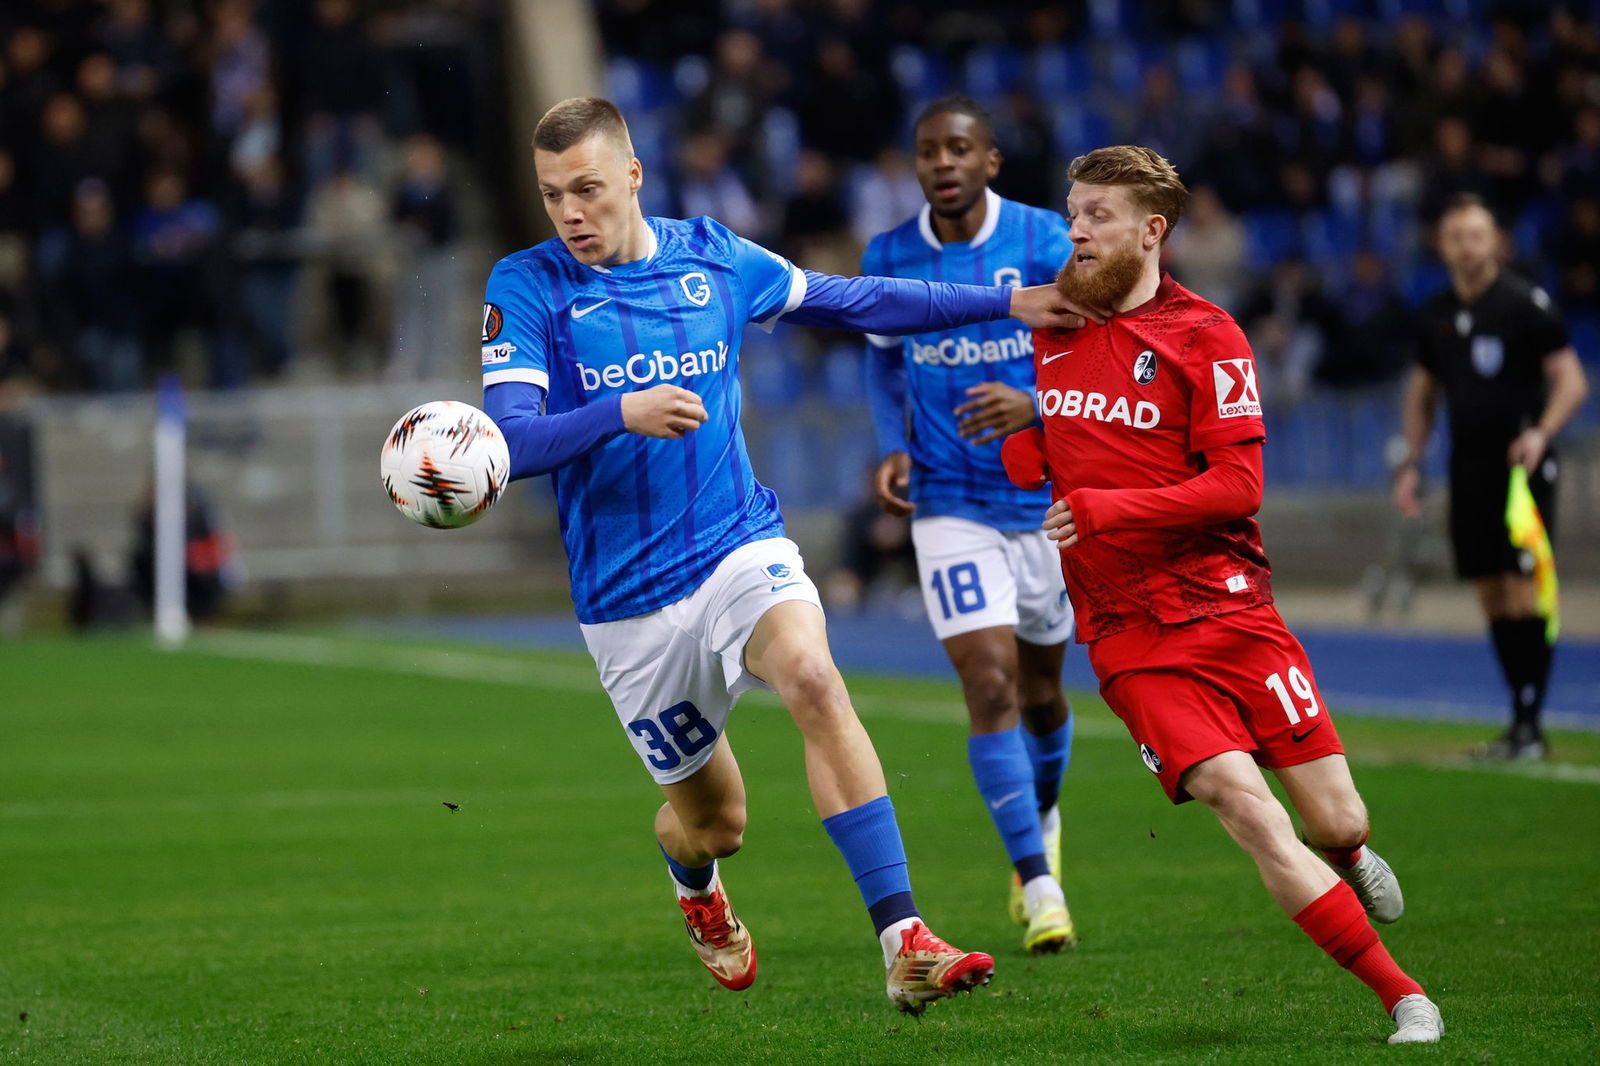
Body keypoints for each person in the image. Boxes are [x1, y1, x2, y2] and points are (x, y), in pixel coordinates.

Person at [478, 97, 1089, 1014]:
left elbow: (852, 299)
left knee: (811, 673)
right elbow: (511, 442)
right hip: (626, 603)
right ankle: (696, 888)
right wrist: (619, 412)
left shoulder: (715, 258)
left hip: (736, 547)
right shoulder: (527, 286)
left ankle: (903, 938)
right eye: (554, 194)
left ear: (634, 178)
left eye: (589, 190)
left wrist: (1006, 298)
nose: (571, 213)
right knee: (716, 825)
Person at [1002, 146, 1444, 1044]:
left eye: (1097, 215)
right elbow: (1052, 454)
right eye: (1072, 213)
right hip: (1128, 631)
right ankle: (1405, 997)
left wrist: (1105, 505)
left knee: (1335, 815)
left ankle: (1350, 853)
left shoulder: (1209, 336)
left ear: (1151, 230)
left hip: (1232, 608)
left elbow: (1237, 488)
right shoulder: (1051, 330)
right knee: (1247, 807)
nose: (1076, 230)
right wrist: (1022, 444)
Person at [862, 95, 1079, 955]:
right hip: (948, 502)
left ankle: (1045, 812)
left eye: (959, 149)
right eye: (927, 152)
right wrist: (892, 446)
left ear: (990, 160)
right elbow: (882, 365)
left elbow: (1095, 350)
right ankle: (1039, 880)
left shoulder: (1045, 243)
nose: (942, 163)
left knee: (1043, 692)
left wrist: (1034, 403)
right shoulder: (891, 255)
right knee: (989, 688)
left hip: (1044, 504)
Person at [1395, 194, 1589, 759]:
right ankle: (1519, 719)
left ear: (1496, 241)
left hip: (1521, 467)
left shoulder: (1525, 304)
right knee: (1490, 588)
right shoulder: (1435, 314)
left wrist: (1541, 433)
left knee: (1524, 583)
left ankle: (1529, 722)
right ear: (1442, 244)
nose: (1467, 245)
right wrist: (1411, 462)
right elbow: (1421, 393)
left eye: (1477, 234)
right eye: (1456, 236)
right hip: (1469, 465)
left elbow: (1571, 380)